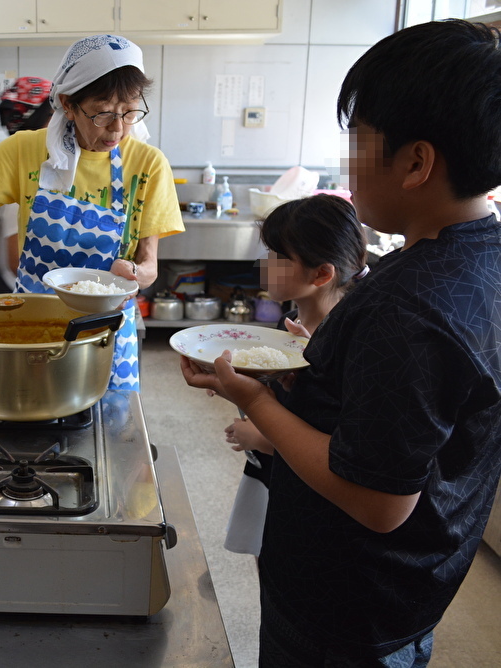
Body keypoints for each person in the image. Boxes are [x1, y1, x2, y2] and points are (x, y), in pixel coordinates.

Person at [181, 20, 501, 666]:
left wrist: (253, 398)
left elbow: (378, 501)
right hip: (406, 594)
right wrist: (319, 368)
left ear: (417, 162)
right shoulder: (480, 256)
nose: (348, 161)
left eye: (357, 140)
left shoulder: (411, 305)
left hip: (344, 610)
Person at [0, 34, 184, 391]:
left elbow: (150, 267)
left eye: (130, 111)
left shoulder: (148, 164)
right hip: (31, 328)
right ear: (67, 104)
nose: (117, 128)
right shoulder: (26, 150)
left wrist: (132, 271)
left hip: (104, 333)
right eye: (102, 112)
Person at [221, 194, 367, 560]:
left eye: (276, 257)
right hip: (269, 474)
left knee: (284, 555)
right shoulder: (291, 327)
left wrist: (259, 435)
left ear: (321, 274)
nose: (264, 264)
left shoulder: (342, 343)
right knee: (264, 550)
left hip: (305, 491)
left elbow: (335, 447)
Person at [0, 76, 54, 292]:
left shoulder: (42, 169)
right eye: (56, 116)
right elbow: (17, 262)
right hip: (23, 297)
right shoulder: (25, 180)